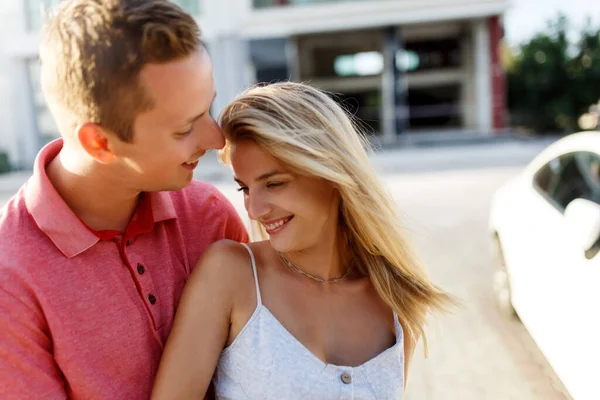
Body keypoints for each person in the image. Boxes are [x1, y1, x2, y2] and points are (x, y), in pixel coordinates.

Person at [0, 1, 247, 399]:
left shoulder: (209, 216)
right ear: (99, 143)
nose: (216, 139)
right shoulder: (10, 278)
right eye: (185, 128)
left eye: (208, 108)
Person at [152, 82, 454, 399]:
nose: (254, 210)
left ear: (331, 173)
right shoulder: (230, 275)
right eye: (245, 188)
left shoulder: (397, 299)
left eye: (275, 184)